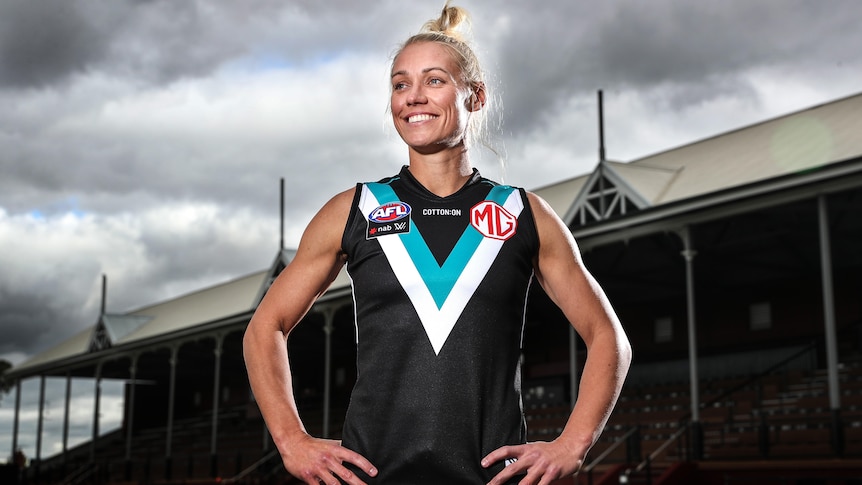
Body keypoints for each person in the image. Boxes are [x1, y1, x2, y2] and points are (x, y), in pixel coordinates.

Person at [242, 2, 632, 484]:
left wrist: (573, 444)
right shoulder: (355, 209)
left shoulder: (524, 213)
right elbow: (265, 328)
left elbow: (608, 338)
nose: (412, 97)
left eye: (434, 80)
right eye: (400, 84)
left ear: (475, 96)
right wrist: (291, 440)